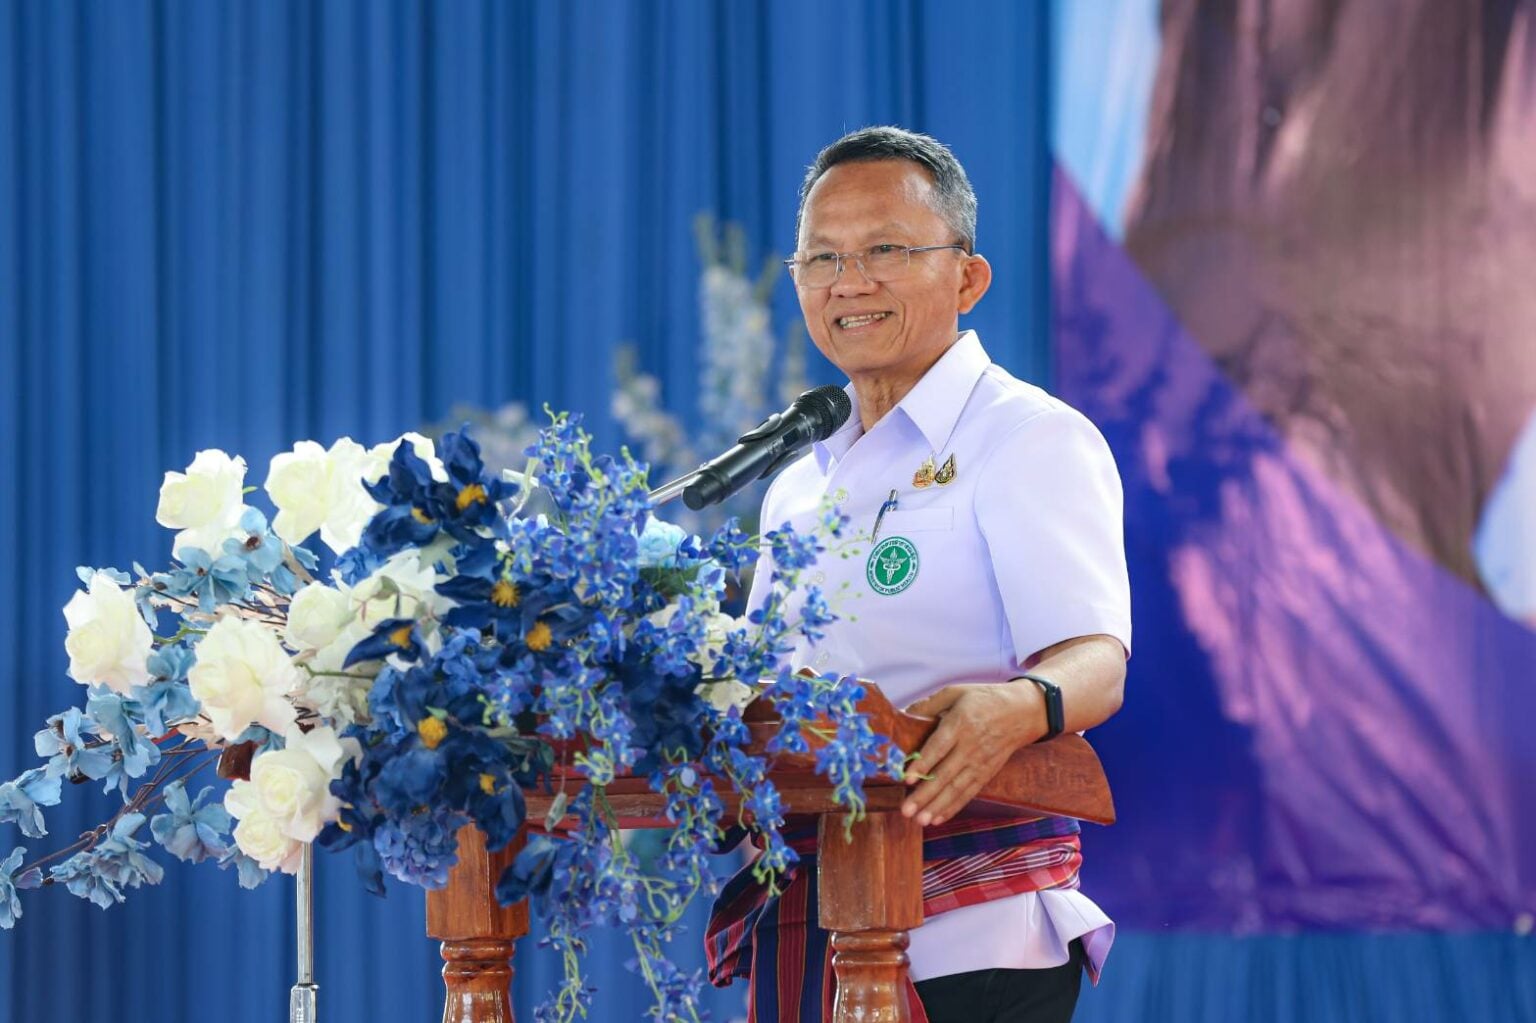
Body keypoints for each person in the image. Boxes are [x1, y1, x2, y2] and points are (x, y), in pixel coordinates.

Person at [705, 127, 1132, 1023]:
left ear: (968, 278)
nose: (848, 282)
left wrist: (1018, 706)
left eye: (885, 251)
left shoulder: (1028, 437)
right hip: (817, 920)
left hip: (976, 929)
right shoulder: (795, 485)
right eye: (822, 258)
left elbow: (1096, 658)